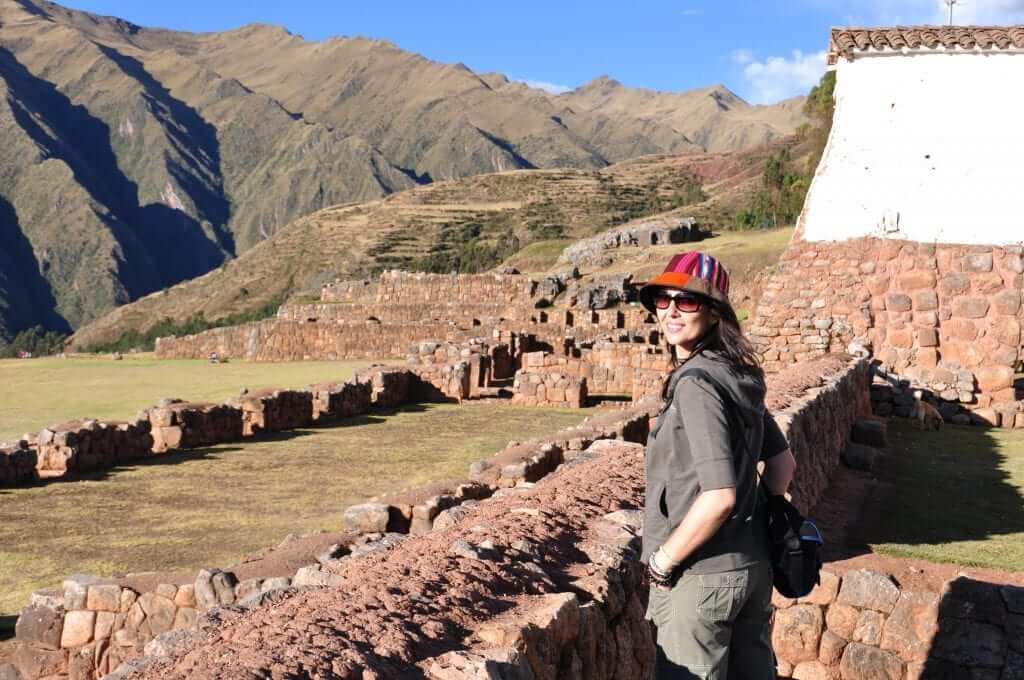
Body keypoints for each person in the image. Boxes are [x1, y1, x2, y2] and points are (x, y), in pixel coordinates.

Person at [639, 251, 797, 680]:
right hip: (753, 568)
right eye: (663, 299)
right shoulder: (738, 375)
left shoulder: (696, 384)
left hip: (701, 576)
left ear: (714, 312)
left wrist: (663, 561)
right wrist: (763, 512)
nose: (671, 310)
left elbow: (720, 495)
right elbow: (782, 464)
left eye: (686, 301)